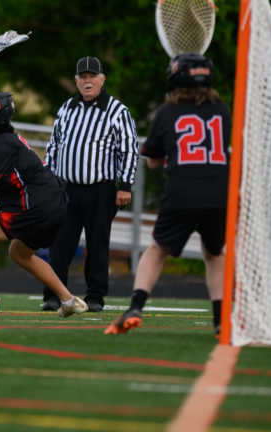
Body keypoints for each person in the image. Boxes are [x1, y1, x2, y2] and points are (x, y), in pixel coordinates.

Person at [106, 53, 230, 336]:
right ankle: (221, 319)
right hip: (218, 193)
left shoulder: (167, 111)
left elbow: (152, 159)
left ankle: (136, 306)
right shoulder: (221, 109)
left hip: (182, 191)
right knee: (213, 254)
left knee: (157, 250)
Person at [0, 92, 88, 320]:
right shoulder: (1, 141)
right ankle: (69, 300)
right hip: (54, 204)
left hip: (34, 206)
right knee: (19, 253)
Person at [41, 56, 139, 313]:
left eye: (92, 76)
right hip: (67, 188)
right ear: (76, 81)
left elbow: (128, 149)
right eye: (82, 77)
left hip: (101, 189)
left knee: (97, 245)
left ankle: (96, 296)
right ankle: (54, 295)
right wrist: (49, 181)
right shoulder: (66, 109)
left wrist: (125, 185)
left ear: (102, 79)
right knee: (60, 244)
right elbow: (54, 147)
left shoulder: (117, 111)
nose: (87, 81)